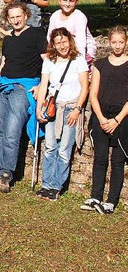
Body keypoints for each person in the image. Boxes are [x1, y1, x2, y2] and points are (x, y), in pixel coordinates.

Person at [0, 1, 47, 193]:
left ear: (26, 15)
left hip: (25, 87)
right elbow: (3, 64)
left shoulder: (37, 34)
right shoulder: (9, 39)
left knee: (12, 130)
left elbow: (48, 62)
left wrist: (41, 85)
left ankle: (6, 174)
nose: (15, 20)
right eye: (11, 17)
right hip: (4, 84)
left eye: (18, 16)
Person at [35, 28, 89, 201]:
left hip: (71, 107)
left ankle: (56, 186)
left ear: (69, 41)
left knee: (64, 149)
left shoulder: (78, 59)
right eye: (58, 43)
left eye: (64, 41)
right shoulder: (49, 61)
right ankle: (46, 184)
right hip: (53, 107)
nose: (62, 46)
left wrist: (77, 109)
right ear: (53, 44)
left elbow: (84, 86)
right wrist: (38, 109)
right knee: (50, 146)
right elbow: (44, 85)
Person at [81, 26, 128, 214]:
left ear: (126, 42)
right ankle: (96, 196)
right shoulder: (100, 64)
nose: (117, 46)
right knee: (100, 158)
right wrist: (101, 118)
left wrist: (117, 120)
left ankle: (111, 201)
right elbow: (93, 95)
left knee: (117, 160)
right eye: (114, 42)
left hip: (122, 117)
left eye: (121, 42)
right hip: (101, 115)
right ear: (109, 42)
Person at [46, 0, 96, 66]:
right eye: (65, 0)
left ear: (76, 2)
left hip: (81, 50)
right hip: (63, 48)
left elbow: (81, 42)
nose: (67, 4)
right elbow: (50, 37)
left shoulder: (79, 17)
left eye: (71, 1)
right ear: (59, 0)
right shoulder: (55, 16)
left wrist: (80, 63)